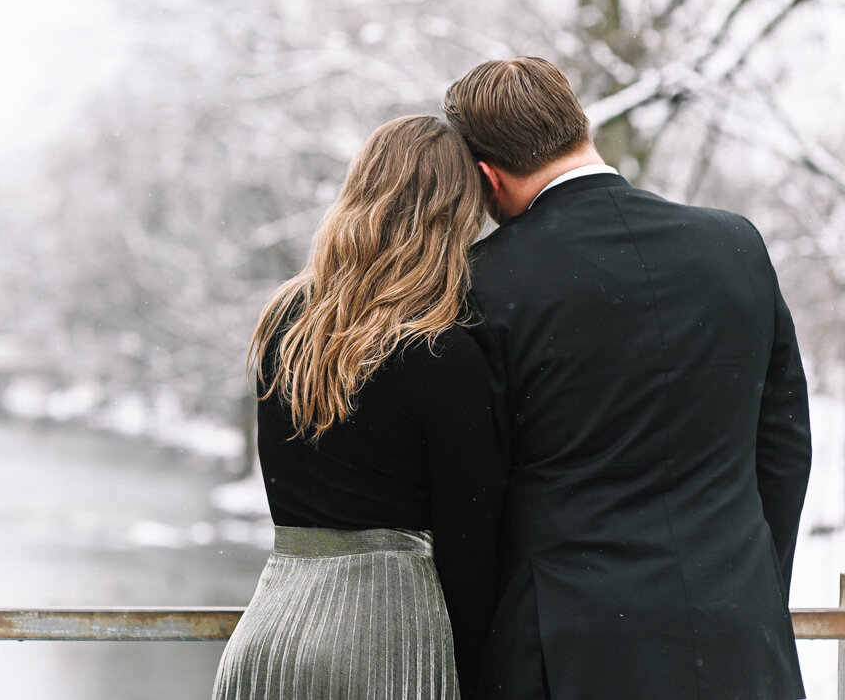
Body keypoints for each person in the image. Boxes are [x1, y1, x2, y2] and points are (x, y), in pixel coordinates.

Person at [442, 56, 813, 700]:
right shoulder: (735, 246)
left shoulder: (483, 284)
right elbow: (783, 448)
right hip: (740, 645)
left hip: (568, 654)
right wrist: (748, 588)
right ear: (581, 127)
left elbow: (475, 497)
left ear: (485, 177)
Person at [211, 114, 505, 700]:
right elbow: (473, 551)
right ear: (455, 214)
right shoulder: (442, 349)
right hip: (385, 646)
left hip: (270, 639)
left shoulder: (286, 321)